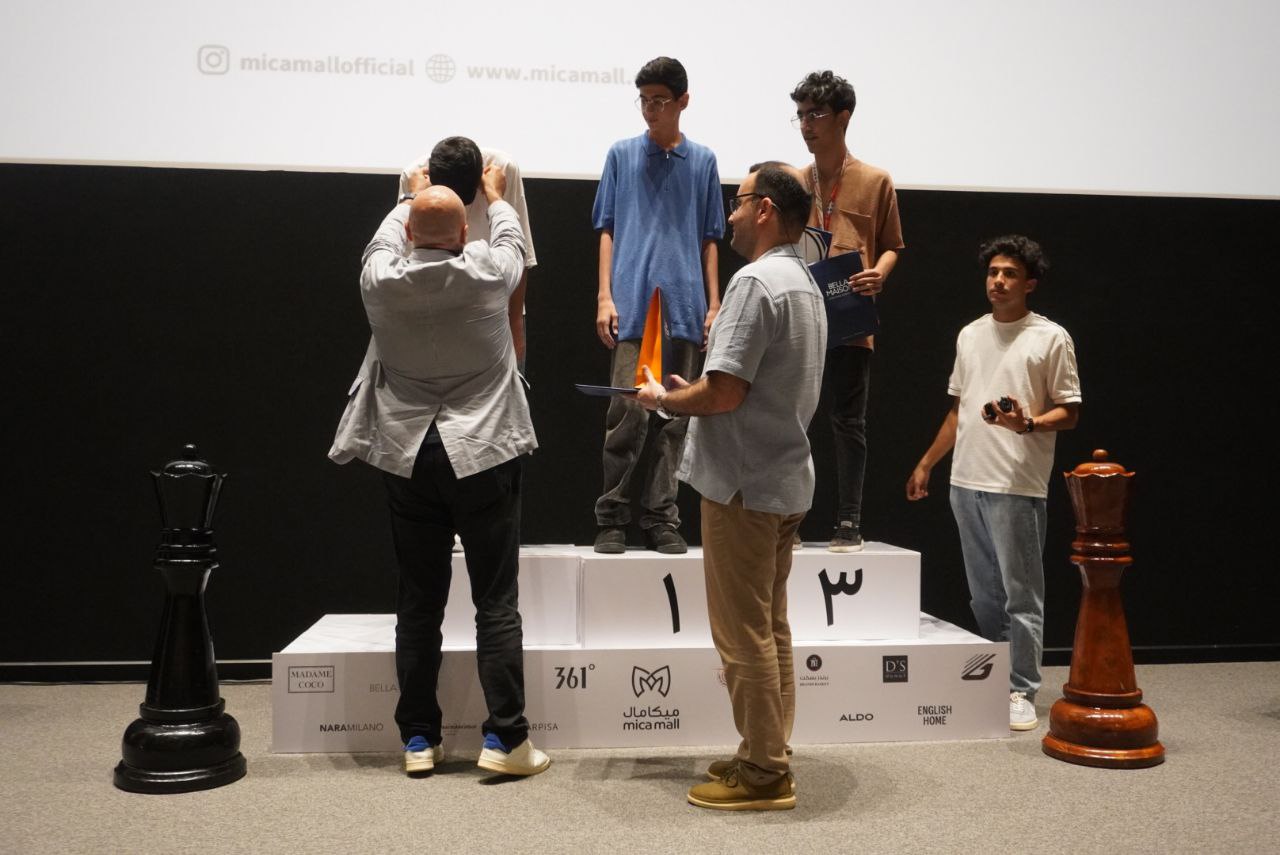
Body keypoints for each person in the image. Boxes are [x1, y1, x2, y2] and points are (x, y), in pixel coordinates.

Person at [328, 165, 550, 777]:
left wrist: (409, 195)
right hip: (484, 451)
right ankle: (506, 741)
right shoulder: (487, 270)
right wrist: (496, 196)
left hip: (409, 456)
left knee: (419, 602)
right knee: (495, 602)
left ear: (409, 233)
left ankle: (420, 741)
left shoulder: (379, 280)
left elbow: (381, 240)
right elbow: (512, 241)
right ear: (463, 235)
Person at [637, 163, 825, 810]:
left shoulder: (754, 282)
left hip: (743, 486)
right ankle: (767, 750)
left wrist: (663, 399)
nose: (730, 215)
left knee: (743, 634)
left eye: (738, 202)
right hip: (782, 479)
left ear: (766, 208)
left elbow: (723, 392)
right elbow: (747, 386)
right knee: (769, 626)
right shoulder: (804, 282)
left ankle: (765, 772)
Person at [906, 235, 1081, 732]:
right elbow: (959, 410)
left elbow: (1070, 411)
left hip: (1017, 483)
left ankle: (1021, 688)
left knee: (1020, 596)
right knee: (983, 596)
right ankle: (995, 682)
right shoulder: (970, 334)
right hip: (966, 479)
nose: (998, 281)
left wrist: (1029, 424)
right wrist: (927, 463)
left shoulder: (1050, 338)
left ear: (1030, 284)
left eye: (1009, 274)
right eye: (993, 272)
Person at [592, 56, 725, 555]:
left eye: (660, 101)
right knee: (627, 412)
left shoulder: (703, 161)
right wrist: (605, 295)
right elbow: (606, 228)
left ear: (683, 101)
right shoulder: (621, 154)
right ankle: (612, 516)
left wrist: (714, 303)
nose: (650, 109)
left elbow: (710, 237)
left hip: (685, 301)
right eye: (644, 100)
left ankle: (662, 516)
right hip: (632, 299)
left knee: (677, 415)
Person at [791, 70, 905, 552]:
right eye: (800, 115)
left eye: (815, 114)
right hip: (800, 317)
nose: (805, 124)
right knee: (793, 421)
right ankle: (789, 520)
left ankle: (849, 521)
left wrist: (880, 272)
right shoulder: (795, 182)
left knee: (847, 422)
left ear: (843, 117)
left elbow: (893, 244)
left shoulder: (875, 180)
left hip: (850, 316)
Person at [399, 138, 536, 368]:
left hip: (494, 310)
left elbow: (520, 255)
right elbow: (407, 255)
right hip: (434, 310)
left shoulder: (504, 170)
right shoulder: (414, 177)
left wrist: (515, 324)